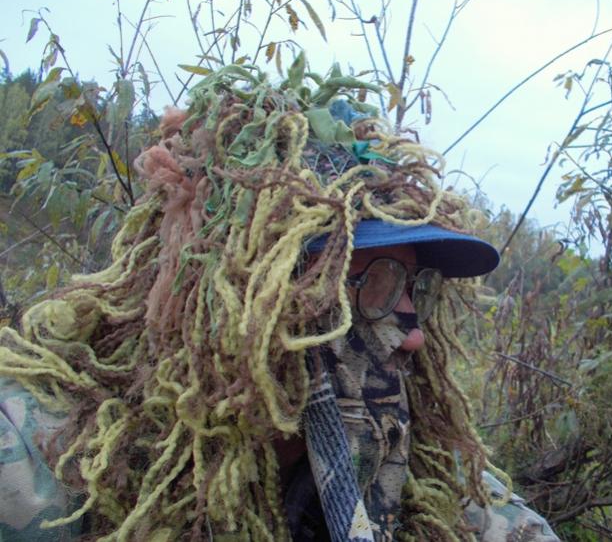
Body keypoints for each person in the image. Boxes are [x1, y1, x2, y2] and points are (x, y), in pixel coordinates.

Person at [0, 58, 559, 541]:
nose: (412, 334)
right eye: (377, 283)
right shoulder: (40, 456)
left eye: (418, 288)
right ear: (242, 300)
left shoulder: (405, 453)